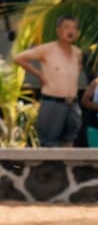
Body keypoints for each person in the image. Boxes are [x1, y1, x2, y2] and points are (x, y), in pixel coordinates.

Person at [13, 17, 83, 146]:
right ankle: (51, 166)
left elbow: (77, 69)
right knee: (49, 142)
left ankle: (66, 166)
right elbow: (19, 58)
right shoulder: (47, 49)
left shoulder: (77, 52)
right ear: (58, 30)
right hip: (53, 101)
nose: (71, 31)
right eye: (66, 27)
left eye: (74, 28)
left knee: (69, 139)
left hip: (73, 103)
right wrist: (39, 74)